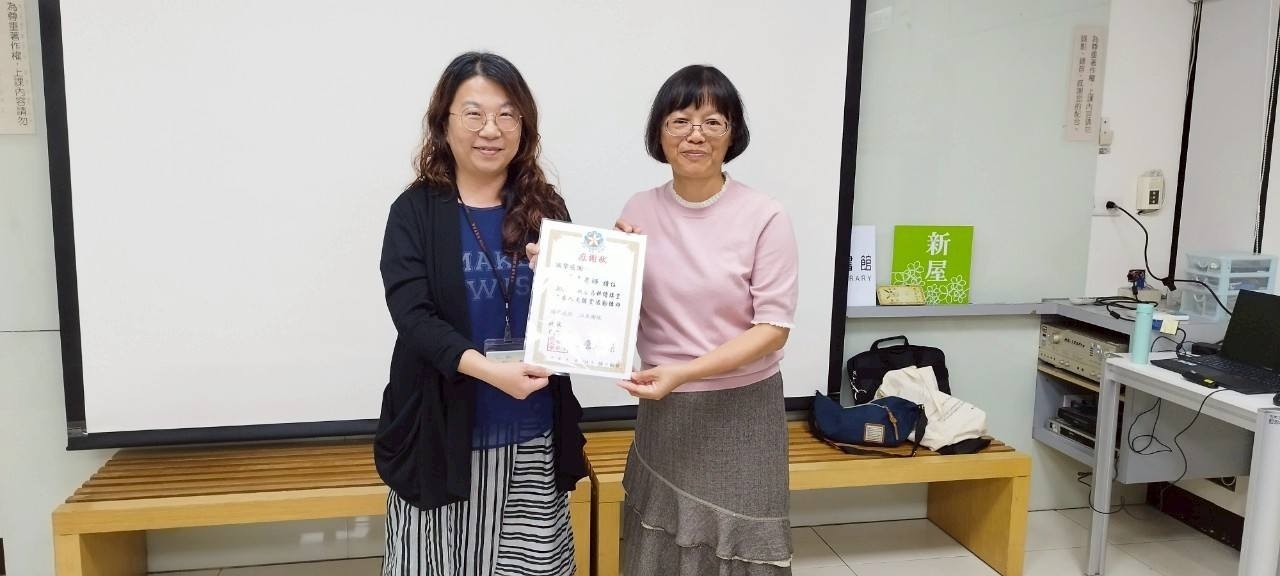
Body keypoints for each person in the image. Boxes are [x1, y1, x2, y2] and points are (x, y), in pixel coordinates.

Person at [374, 51, 586, 576]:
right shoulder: (414, 212)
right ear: (444, 123)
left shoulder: (545, 209)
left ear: (524, 126)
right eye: (474, 114)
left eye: (507, 114)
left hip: (531, 429)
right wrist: (489, 371)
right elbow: (413, 317)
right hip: (443, 432)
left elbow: (577, 313)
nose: (491, 129)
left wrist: (599, 264)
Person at [614, 64, 800, 576]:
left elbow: (773, 329)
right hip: (665, 409)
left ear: (732, 134)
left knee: (742, 546)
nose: (695, 135)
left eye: (712, 122)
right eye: (680, 121)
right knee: (661, 539)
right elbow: (623, 308)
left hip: (743, 409)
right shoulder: (639, 209)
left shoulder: (765, 215)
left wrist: (685, 372)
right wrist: (587, 267)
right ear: (659, 133)